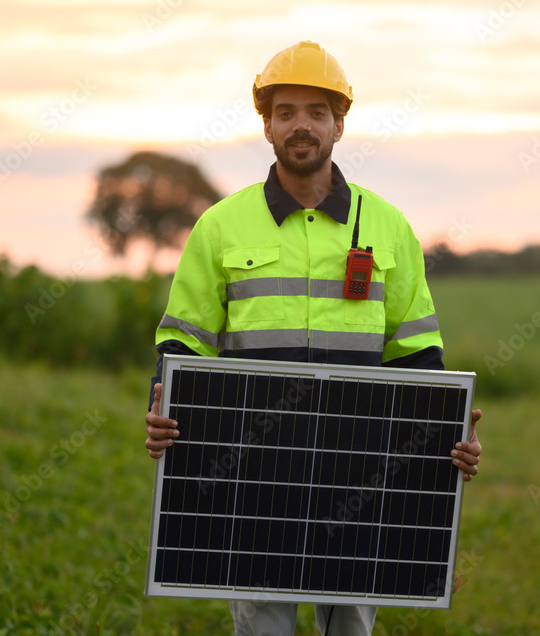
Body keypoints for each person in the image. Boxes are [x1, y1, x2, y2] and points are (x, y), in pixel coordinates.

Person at [144, 40, 483, 636]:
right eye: (285, 112)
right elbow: (182, 347)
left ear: (340, 123)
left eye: (316, 111)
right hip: (254, 474)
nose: (301, 125)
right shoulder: (219, 226)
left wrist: (448, 440)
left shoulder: (389, 227)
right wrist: (162, 406)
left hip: (360, 477)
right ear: (267, 126)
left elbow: (418, 357)